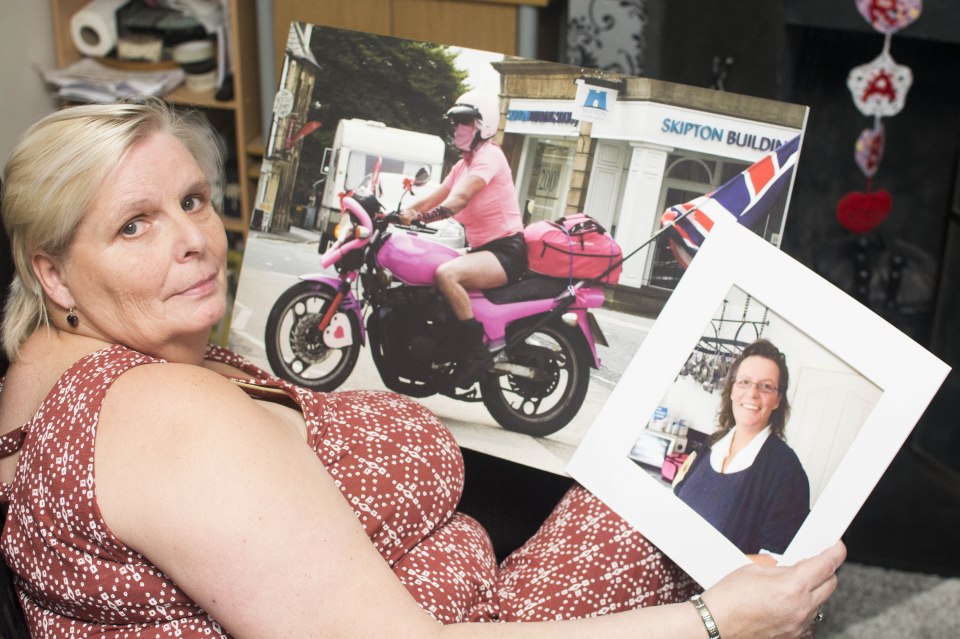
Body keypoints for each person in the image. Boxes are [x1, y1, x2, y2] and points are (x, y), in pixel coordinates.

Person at [0, 100, 842, 638]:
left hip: (498, 299)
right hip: (470, 623)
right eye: (133, 226)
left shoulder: (49, 362)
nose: (192, 239)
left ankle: (480, 352)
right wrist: (710, 619)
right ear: (52, 271)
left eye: (189, 200)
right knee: (721, 553)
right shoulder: (164, 417)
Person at [398, 90, 526, 387]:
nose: (458, 128)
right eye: (455, 122)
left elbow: (461, 198)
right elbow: (438, 195)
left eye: (465, 121)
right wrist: (401, 212)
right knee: (429, 275)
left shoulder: (489, 157)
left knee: (447, 274)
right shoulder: (462, 164)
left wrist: (422, 217)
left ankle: (476, 353)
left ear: (484, 125)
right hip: (483, 250)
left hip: (506, 252)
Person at [673, 339, 811, 563]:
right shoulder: (711, 444)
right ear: (732, 390)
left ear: (777, 400)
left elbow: (778, 560)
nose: (753, 393)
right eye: (744, 382)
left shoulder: (786, 470)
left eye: (766, 386)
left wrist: (706, 561)